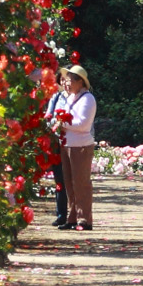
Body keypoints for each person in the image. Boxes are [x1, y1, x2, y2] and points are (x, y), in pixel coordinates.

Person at [52, 64, 97, 230]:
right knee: (69, 183)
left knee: (81, 183)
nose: (67, 83)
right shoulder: (69, 98)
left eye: (70, 80)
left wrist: (62, 123)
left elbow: (83, 125)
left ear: (80, 82)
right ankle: (72, 217)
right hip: (67, 144)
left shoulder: (88, 99)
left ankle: (84, 219)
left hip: (81, 147)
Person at [43, 83, 71, 226]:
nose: (66, 83)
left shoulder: (83, 98)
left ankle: (75, 215)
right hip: (57, 142)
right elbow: (48, 117)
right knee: (60, 179)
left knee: (73, 180)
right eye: (63, 79)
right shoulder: (57, 97)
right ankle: (61, 214)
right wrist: (57, 121)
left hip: (74, 142)